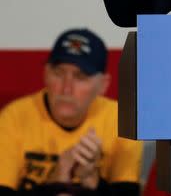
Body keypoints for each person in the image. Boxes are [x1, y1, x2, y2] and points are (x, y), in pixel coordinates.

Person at [0, 29, 143, 194]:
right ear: (46, 73)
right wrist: (56, 181)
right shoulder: (14, 117)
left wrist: (92, 179)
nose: (66, 88)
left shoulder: (121, 120)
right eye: (58, 73)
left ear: (104, 84)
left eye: (80, 76)